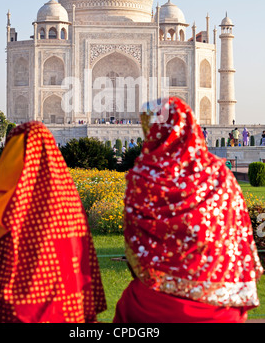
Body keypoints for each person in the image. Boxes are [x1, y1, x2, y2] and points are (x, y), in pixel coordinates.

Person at [113, 97, 263, 323]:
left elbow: (135, 248)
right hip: (220, 306)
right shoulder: (219, 174)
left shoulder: (142, 178)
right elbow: (239, 234)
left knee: (129, 307)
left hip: (153, 306)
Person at [0, 121, 106, 323]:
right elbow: (81, 260)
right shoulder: (67, 203)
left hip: (3, 312)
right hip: (62, 311)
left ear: (10, 153)